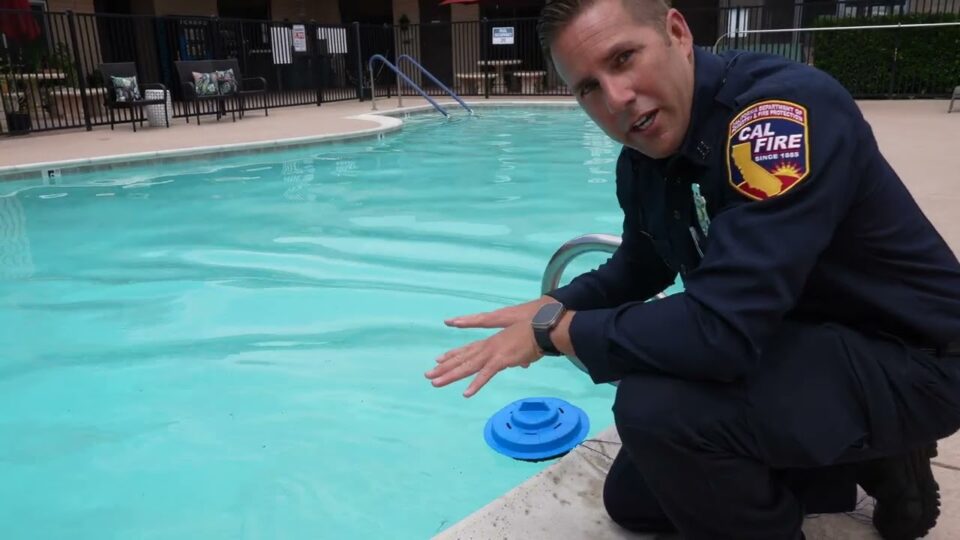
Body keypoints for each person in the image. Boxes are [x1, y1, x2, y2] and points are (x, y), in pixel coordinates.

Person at [424, 0, 960, 538]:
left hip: (912, 356)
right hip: (797, 337)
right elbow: (639, 265)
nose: (616, 98)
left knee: (657, 412)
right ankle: (862, 464)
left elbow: (722, 330)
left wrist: (557, 335)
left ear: (677, 33)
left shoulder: (778, 117)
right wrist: (559, 305)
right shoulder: (646, 154)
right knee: (636, 499)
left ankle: (881, 440)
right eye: (588, 87)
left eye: (624, 58)